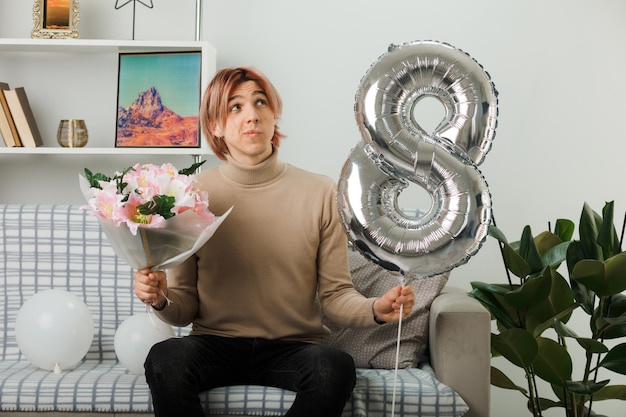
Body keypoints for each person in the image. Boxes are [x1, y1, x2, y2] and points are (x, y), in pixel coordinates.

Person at [133, 66, 415, 417]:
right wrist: (160, 297)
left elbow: (335, 296)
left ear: (273, 114)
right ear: (216, 126)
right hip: (213, 345)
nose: (251, 115)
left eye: (260, 102)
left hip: (295, 349)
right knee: (164, 359)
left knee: (334, 367)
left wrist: (376, 309)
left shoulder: (321, 192)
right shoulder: (193, 195)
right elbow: (185, 304)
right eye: (235, 107)